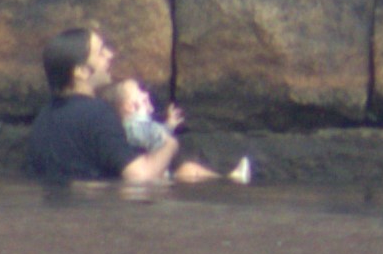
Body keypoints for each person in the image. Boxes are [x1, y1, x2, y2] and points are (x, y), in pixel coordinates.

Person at [24, 23, 245, 190]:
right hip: (95, 222)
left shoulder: (42, 119)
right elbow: (139, 176)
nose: (110, 56)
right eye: (101, 52)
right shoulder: (97, 114)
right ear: (80, 71)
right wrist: (169, 144)